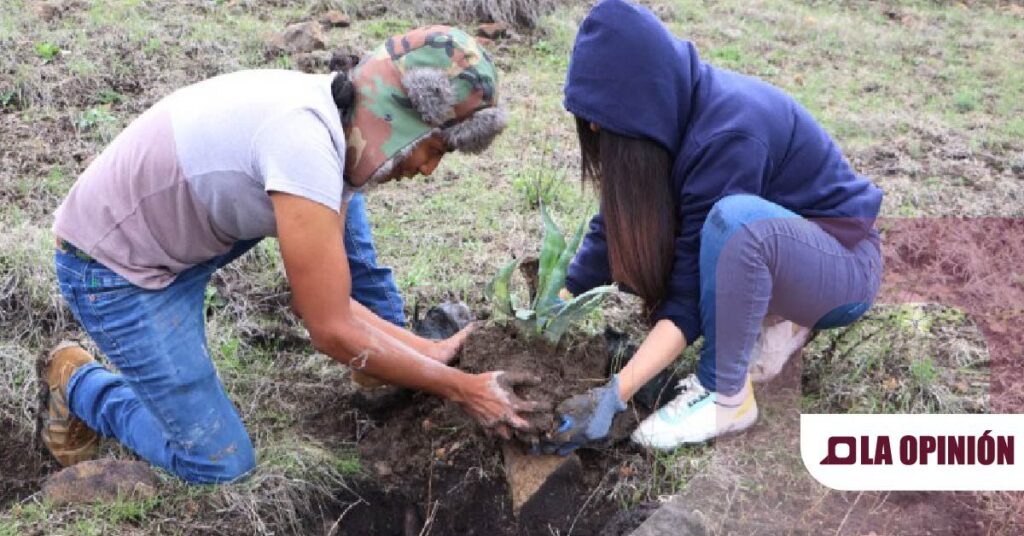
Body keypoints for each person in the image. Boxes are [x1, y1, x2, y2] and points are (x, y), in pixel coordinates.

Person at [39, 26, 544, 483]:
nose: (429, 169)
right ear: (400, 118)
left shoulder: (339, 123)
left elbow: (326, 304)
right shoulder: (303, 146)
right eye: (434, 148)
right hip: (113, 270)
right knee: (219, 465)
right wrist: (461, 387)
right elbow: (327, 328)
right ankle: (78, 384)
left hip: (179, 244)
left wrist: (430, 353)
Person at [547, 0, 884, 452]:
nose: (592, 129)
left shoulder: (729, 133)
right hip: (783, 257)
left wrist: (614, 395)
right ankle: (768, 328)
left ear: (644, 99)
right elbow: (614, 224)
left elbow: (690, 294)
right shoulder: (670, 119)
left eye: (606, 123)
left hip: (841, 270)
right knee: (710, 226)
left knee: (735, 222)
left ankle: (725, 395)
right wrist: (553, 309)